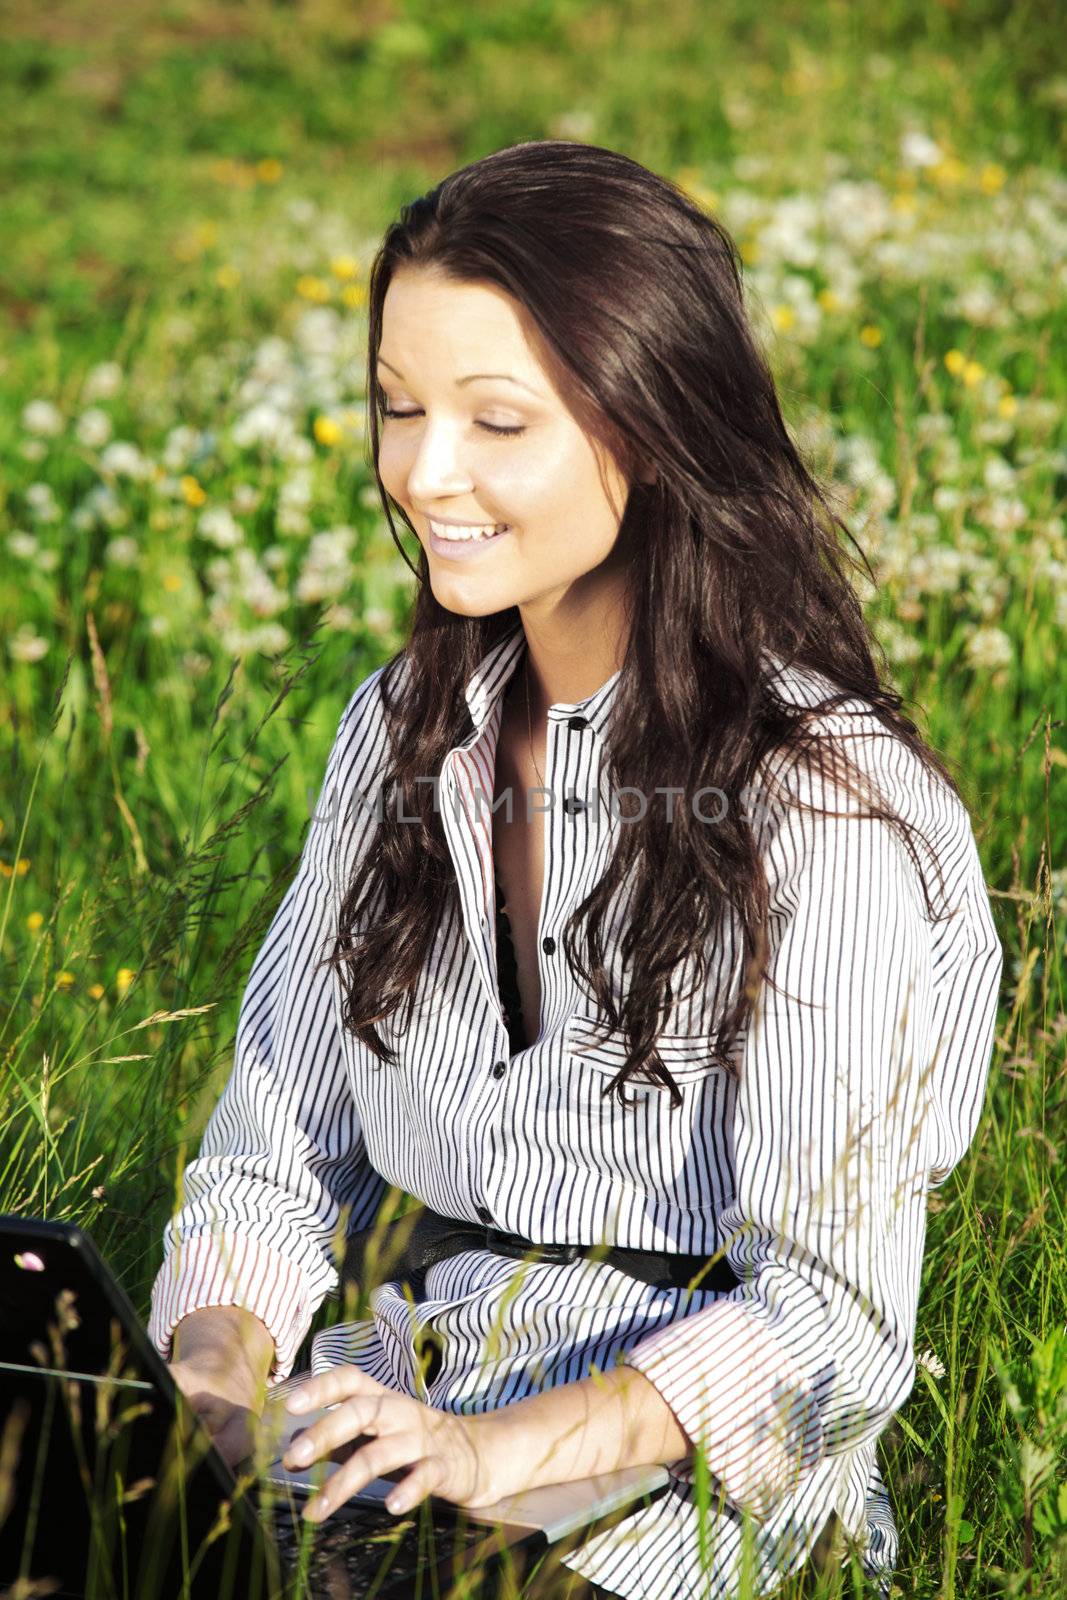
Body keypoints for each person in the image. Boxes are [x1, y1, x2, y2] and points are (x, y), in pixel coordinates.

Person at [149, 141, 1003, 1600]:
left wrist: (492, 1458)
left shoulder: (823, 805)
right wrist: (216, 1412)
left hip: (662, 1485)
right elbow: (273, 1156)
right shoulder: (397, 733)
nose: (423, 473)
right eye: (397, 407)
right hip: (383, 1414)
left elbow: (832, 1324)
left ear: (654, 428)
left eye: (497, 421)